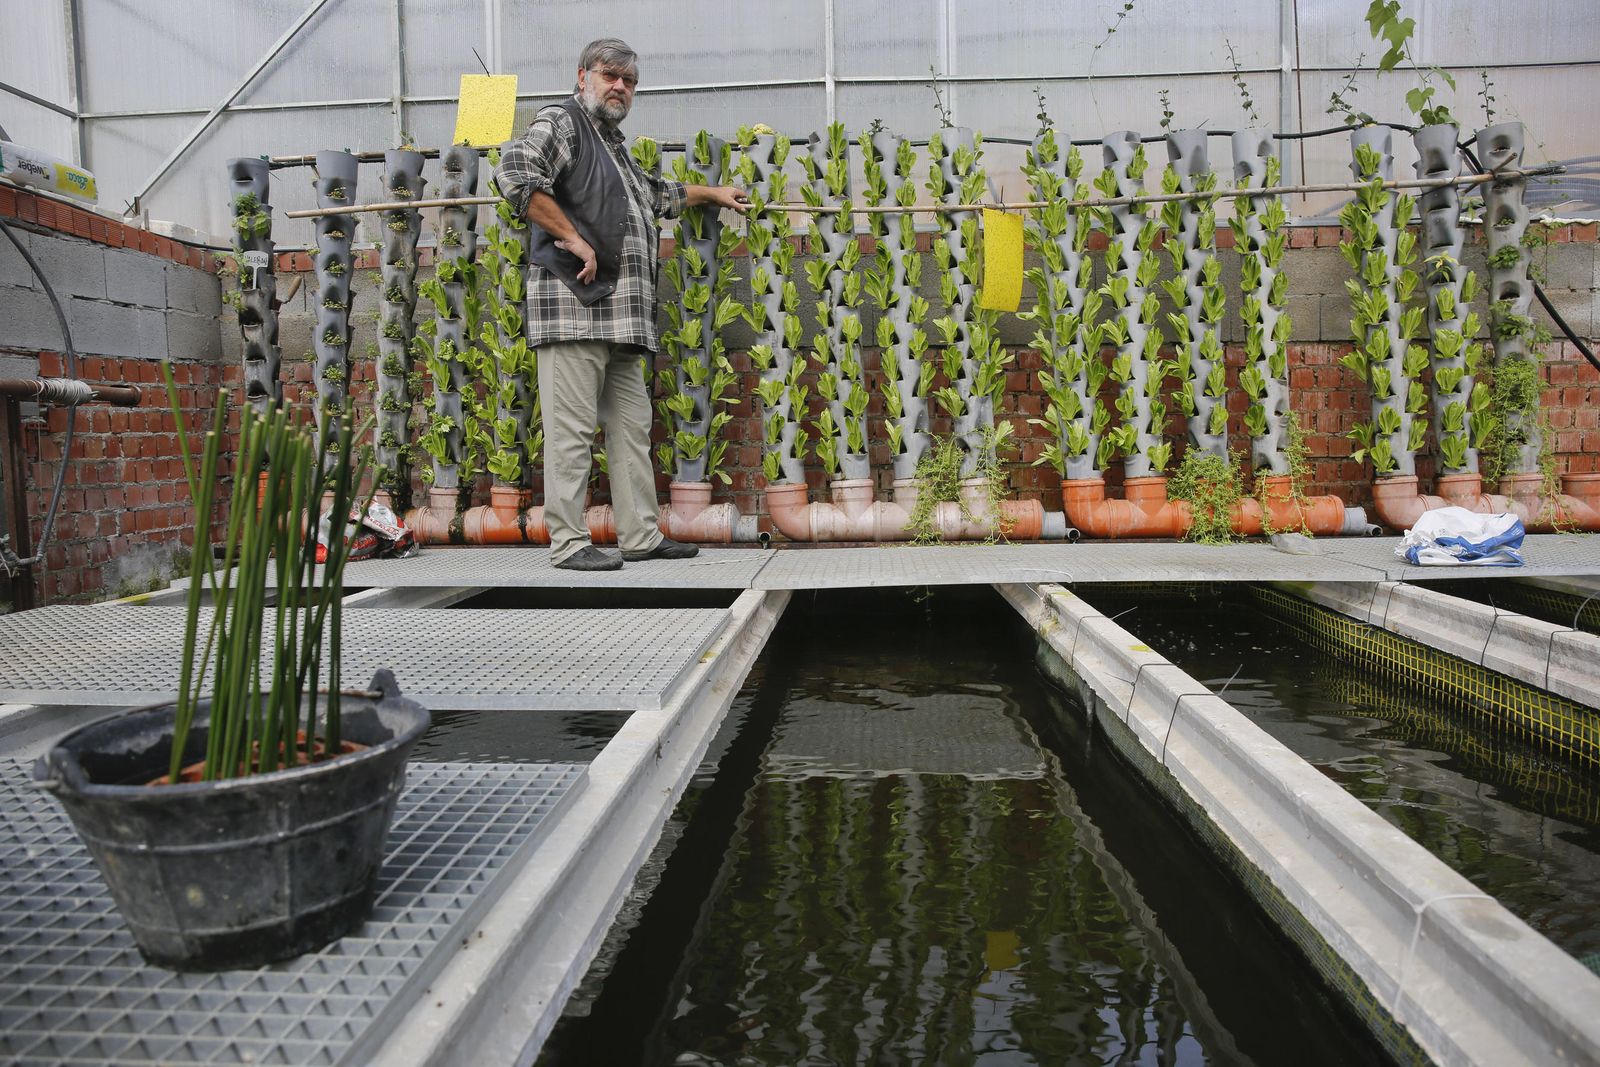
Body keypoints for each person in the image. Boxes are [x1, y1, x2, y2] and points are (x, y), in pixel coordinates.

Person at [494, 38, 750, 570]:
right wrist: (574, 238)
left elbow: (658, 195)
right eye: (610, 75)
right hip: (575, 308)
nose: (620, 87)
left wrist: (714, 193)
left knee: (633, 430)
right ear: (583, 75)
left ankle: (640, 536)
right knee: (571, 434)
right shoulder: (562, 122)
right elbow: (515, 173)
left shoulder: (610, 142)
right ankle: (567, 543)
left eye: (629, 81)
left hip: (624, 319)